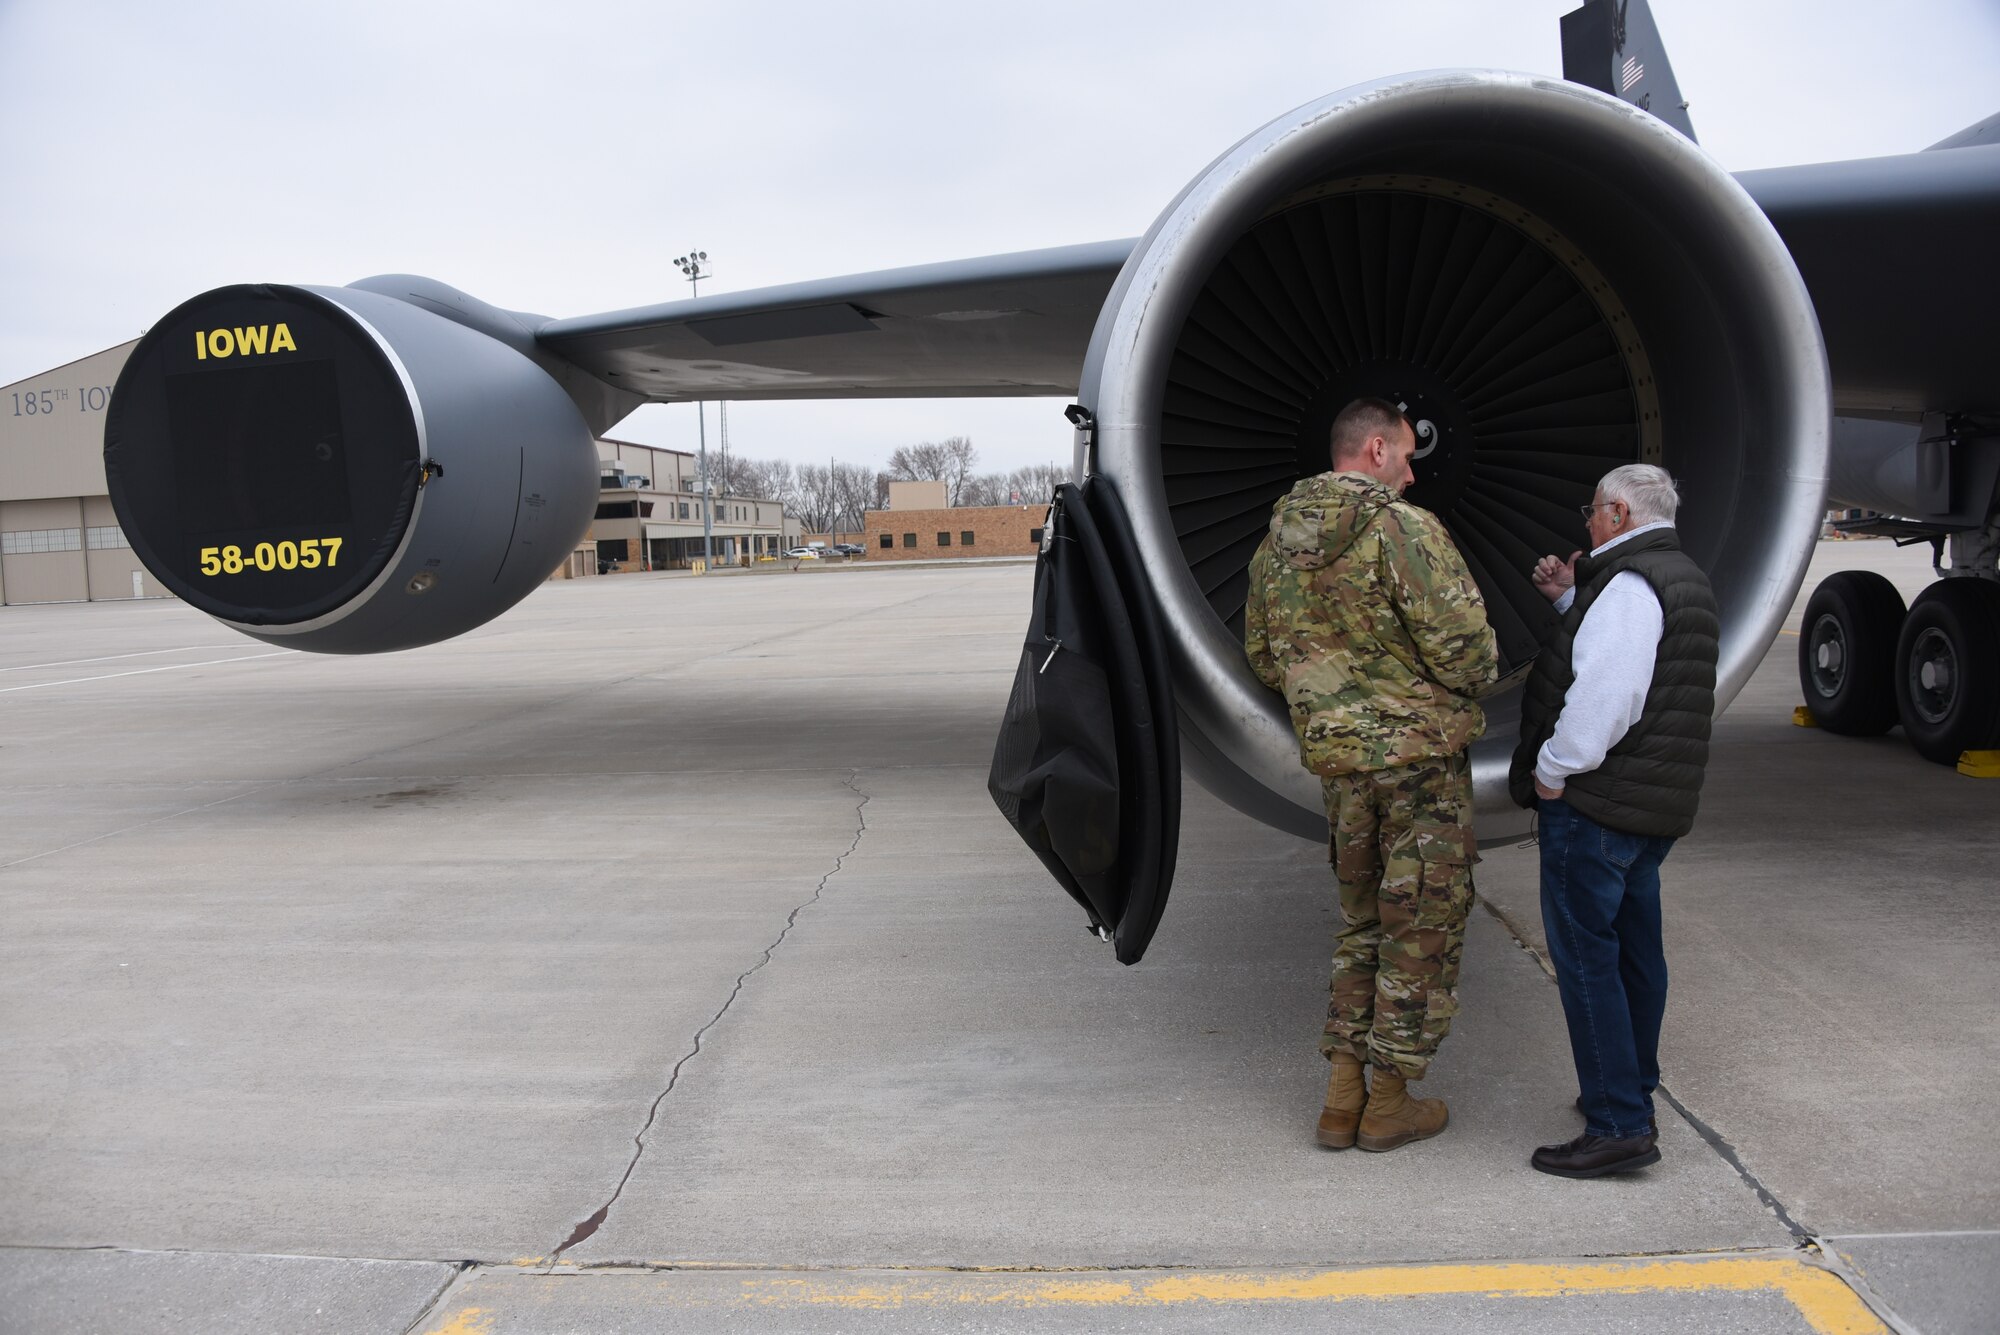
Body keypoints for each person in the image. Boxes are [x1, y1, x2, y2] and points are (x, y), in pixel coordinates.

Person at [1245, 398, 1498, 1152]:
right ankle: (1388, 1102)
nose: (1414, 475)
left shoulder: (1277, 543)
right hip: (1419, 765)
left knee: (1361, 926)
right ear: (1378, 449)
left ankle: (1341, 1098)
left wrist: (1336, 699)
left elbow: (1263, 656)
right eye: (1408, 458)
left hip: (1342, 771)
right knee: (1419, 930)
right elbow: (1469, 656)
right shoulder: (1402, 529)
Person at [1509, 463, 1718, 1179]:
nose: (1587, 523)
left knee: (1586, 961)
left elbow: (1609, 695)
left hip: (1597, 805)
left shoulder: (1631, 587)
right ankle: (1632, 1089)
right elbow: (1647, 669)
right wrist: (1572, 604)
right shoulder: (1677, 575)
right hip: (1648, 808)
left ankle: (1618, 1124)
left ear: (1621, 513)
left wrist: (1551, 770)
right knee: (1635, 954)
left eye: (1594, 511)